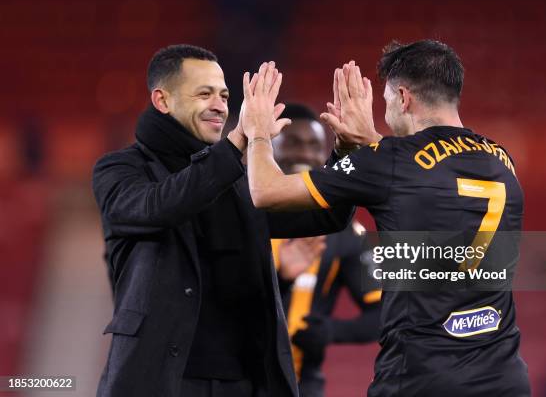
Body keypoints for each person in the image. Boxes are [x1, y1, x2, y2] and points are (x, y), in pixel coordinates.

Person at [240, 39, 530, 397]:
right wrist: (367, 145)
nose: (386, 111)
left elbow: (265, 192)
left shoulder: (388, 160)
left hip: (421, 377)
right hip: (504, 377)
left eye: (388, 101)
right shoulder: (501, 160)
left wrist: (255, 132)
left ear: (404, 98)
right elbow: (421, 174)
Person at [92, 44, 355, 397]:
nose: (220, 105)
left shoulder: (238, 177)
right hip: (159, 381)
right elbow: (158, 206)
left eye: (225, 95)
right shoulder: (121, 170)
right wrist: (235, 145)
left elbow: (323, 214)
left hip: (246, 382)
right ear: (162, 100)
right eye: (204, 94)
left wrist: (348, 155)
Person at [270, 103, 381, 397]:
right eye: (293, 143)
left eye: (315, 146)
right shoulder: (238, 214)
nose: (304, 154)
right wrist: (280, 277)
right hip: (231, 382)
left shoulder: (343, 230)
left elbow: (384, 313)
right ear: (269, 148)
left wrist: (330, 331)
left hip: (303, 386)